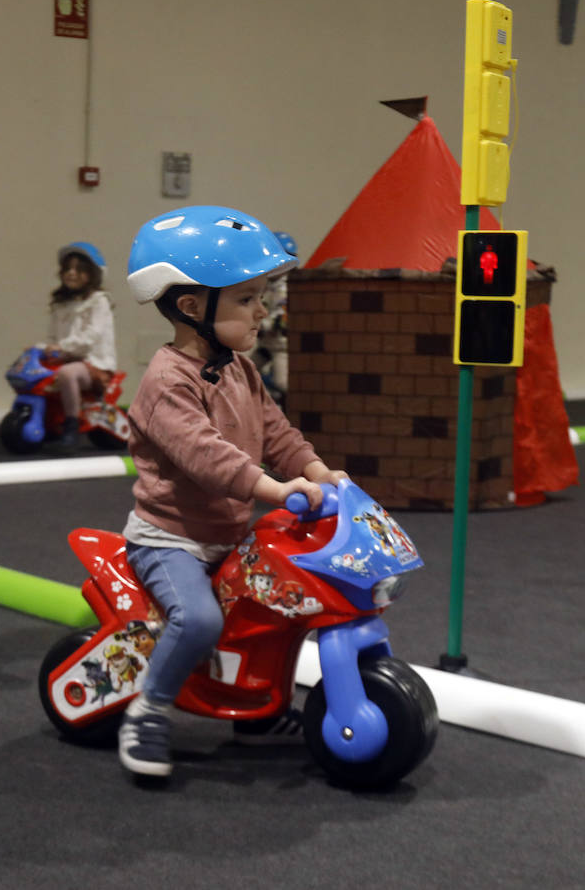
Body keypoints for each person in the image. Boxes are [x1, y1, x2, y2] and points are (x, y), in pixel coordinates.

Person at [116, 206, 346, 777]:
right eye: (246, 299)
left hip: (229, 534)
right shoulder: (167, 381)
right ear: (192, 308)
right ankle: (148, 712)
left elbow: (276, 431)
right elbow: (207, 458)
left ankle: (257, 712)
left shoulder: (240, 368)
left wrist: (317, 470)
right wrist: (274, 487)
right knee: (198, 622)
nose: (263, 310)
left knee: (279, 609)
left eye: (261, 295)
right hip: (172, 541)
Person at [43, 241, 117, 452]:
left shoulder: (99, 301)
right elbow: (52, 335)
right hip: (67, 359)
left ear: (93, 274)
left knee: (67, 374)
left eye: (79, 269)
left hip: (94, 364)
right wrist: (45, 348)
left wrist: (62, 347)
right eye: (68, 268)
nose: (71, 273)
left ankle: (71, 428)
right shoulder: (60, 304)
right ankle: (49, 423)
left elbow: (91, 336)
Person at [250, 230, 297, 409]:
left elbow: (282, 315)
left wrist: (265, 324)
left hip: (280, 343)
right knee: (247, 371)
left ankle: (278, 403)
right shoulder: (268, 285)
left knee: (282, 382)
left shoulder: (286, 287)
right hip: (266, 343)